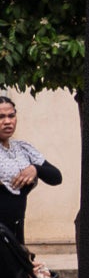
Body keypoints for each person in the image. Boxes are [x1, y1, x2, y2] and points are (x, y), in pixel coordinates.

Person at [0, 96, 60, 242]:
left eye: (11, 116)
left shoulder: (22, 148)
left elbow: (56, 177)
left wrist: (35, 169)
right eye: (1, 117)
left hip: (15, 230)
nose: (7, 121)